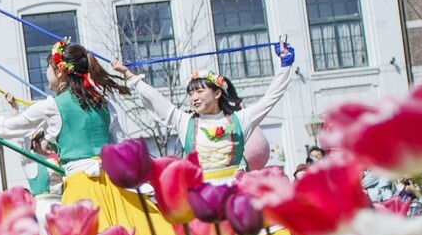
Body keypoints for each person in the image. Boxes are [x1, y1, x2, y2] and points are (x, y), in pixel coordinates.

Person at [0, 39, 183, 235]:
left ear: (60, 70)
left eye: (47, 68)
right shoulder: (102, 103)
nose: (46, 74)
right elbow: (121, 144)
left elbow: (10, 127)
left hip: (82, 187)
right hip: (114, 185)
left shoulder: (52, 106)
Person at [109, 41, 298, 184]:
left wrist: (285, 65)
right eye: (190, 93)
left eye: (199, 91)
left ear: (217, 93)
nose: (194, 98)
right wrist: (128, 76)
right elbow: (155, 98)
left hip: (237, 194)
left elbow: (271, 97)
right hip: (201, 196)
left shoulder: (240, 119)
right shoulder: (185, 121)